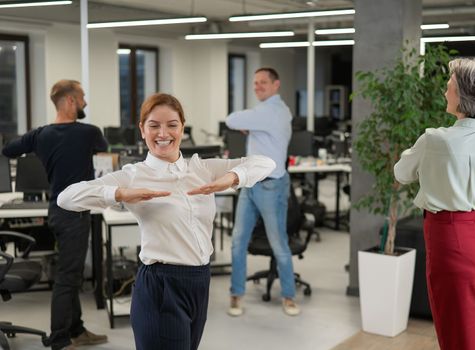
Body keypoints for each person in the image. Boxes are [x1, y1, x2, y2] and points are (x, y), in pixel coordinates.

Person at [57, 93, 276, 350]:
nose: (163, 133)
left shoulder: (201, 168)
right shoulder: (134, 175)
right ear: (142, 129)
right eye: (154, 125)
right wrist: (118, 193)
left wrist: (231, 178)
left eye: (172, 124)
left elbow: (265, 162)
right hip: (162, 286)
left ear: (182, 127)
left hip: (200, 282)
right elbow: (66, 197)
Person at [394, 57, 475, 350]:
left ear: (465, 94)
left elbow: (401, 173)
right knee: (471, 329)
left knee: (456, 334)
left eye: (450, 85)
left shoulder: (434, 140)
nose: (445, 92)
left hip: (449, 240)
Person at [2, 79, 109, 350]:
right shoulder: (89, 133)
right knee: (67, 277)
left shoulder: (40, 135)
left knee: (70, 274)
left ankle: (77, 329)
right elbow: (107, 153)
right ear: (71, 100)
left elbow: (8, 150)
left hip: (57, 211)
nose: (85, 102)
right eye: (82, 97)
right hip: (75, 214)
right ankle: (60, 339)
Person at [226, 67, 300, 317]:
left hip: (271, 186)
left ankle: (289, 297)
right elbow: (249, 125)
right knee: (238, 241)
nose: (257, 86)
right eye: (255, 82)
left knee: (278, 243)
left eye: (263, 82)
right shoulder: (268, 114)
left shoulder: (272, 111)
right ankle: (236, 295)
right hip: (250, 182)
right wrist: (252, 126)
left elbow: (231, 119)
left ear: (276, 84)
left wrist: (249, 124)